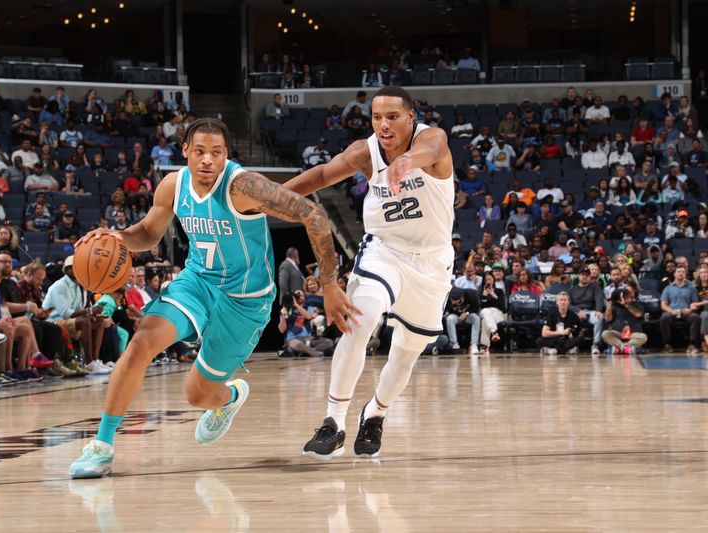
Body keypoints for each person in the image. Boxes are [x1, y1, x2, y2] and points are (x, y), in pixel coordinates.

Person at [69, 118, 356, 478]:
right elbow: (147, 234)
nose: (207, 160)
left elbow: (312, 213)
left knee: (198, 396)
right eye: (200, 151)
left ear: (226, 155)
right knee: (142, 342)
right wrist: (114, 237)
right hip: (197, 282)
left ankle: (230, 397)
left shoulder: (244, 186)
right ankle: (102, 445)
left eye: (216, 153)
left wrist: (329, 284)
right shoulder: (174, 185)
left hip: (244, 300)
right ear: (185, 150)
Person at [283, 86, 455, 460]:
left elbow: (431, 150)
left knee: (406, 354)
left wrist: (407, 162)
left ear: (411, 116)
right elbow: (320, 176)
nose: (383, 124)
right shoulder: (366, 151)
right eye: (377, 117)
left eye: (392, 116)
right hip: (384, 252)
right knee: (358, 322)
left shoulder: (432, 139)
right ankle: (333, 422)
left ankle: (374, 414)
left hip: (431, 262)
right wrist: (270, 196)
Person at [659, 265, 700, 354]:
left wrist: (690, 309)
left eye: (683, 272)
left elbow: (695, 305)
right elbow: (663, 305)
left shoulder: (691, 288)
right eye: (678, 271)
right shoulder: (668, 288)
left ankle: (692, 344)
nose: (681, 273)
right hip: (672, 312)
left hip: (686, 312)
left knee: (695, 317)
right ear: (674, 274)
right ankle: (667, 345)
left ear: (685, 274)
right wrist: (671, 311)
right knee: (664, 317)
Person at [601, 285, 647, 355]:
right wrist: (610, 302)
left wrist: (626, 305)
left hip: (632, 333)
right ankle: (627, 349)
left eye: (628, 295)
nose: (627, 296)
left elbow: (638, 314)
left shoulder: (637, 304)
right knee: (605, 334)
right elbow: (607, 318)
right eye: (625, 295)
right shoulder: (614, 306)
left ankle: (619, 349)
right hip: (618, 333)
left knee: (643, 337)